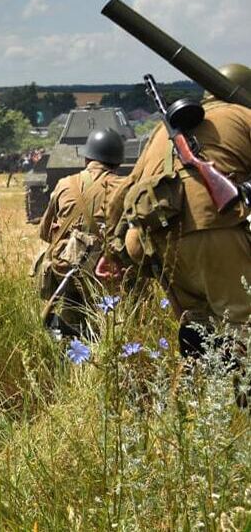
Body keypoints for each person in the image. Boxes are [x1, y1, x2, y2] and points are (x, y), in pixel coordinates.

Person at [98, 63, 251, 359]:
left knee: (200, 328)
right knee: (242, 324)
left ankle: (202, 395)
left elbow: (123, 193)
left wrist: (111, 252)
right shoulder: (243, 115)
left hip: (157, 244)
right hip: (215, 232)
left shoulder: (160, 131)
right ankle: (239, 399)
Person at [36, 128, 125, 338]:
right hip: (105, 276)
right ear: (118, 161)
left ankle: (69, 354)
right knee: (107, 330)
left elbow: (45, 233)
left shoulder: (64, 184)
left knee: (71, 329)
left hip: (65, 270)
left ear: (87, 158)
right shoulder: (124, 187)